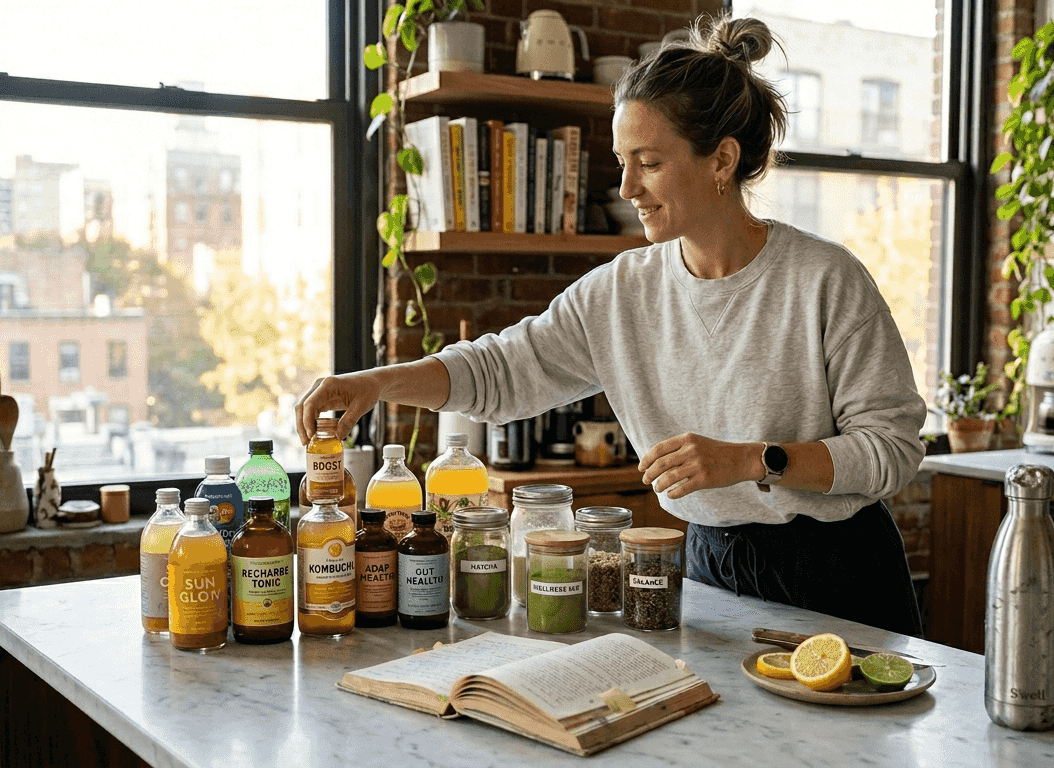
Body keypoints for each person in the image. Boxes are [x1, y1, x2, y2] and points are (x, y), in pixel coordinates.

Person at [296, 15, 926, 637]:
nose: (626, 187)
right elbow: (503, 370)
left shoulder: (825, 279)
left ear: (721, 162)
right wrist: (375, 383)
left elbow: (891, 451)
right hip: (705, 561)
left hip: (839, 572)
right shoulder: (623, 291)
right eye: (623, 161)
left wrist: (753, 460)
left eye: (647, 163)